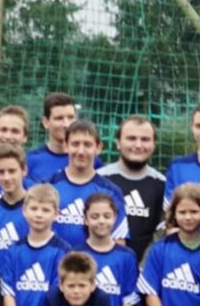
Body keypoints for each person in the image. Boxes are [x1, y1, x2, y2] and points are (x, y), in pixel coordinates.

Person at [47, 121, 124, 250]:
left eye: (87, 145)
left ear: (98, 147)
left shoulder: (111, 192)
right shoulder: (49, 187)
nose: (81, 151)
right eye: (75, 144)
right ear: (66, 146)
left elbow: (118, 242)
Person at [102, 115, 166, 255]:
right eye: (131, 138)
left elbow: (162, 233)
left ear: (154, 144)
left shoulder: (162, 184)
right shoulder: (99, 180)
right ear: (118, 143)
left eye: (145, 139)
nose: (138, 145)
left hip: (144, 271)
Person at [28, 92, 85, 184]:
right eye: (59, 118)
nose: (66, 124)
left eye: (71, 117)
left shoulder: (90, 160)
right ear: (45, 122)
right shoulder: (30, 161)